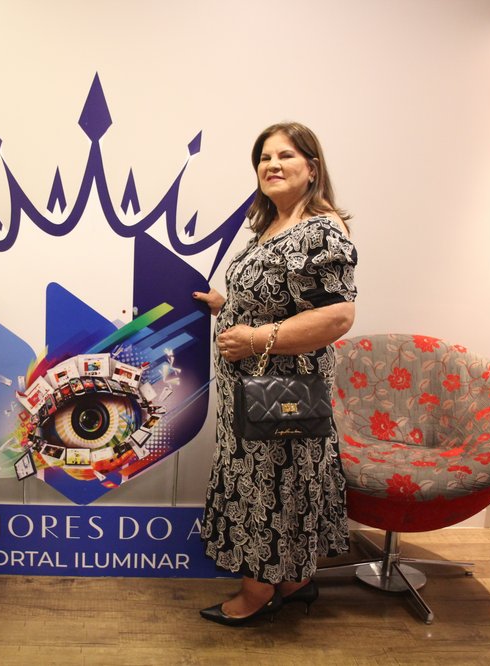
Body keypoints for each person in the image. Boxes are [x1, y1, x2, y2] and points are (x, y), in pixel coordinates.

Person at [192, 121, 356, 626]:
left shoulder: (322, 230)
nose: (272, 164)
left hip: (283, 391)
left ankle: (257, 593)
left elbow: (337, 316)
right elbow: (279, 299)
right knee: (275, 485)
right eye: (265, 157)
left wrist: (254, 338)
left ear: (312, 168)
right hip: (252, 391)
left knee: (271, 488)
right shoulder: (273, 224)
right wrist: (227, 305)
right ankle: (295, 582)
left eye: (285, 155)